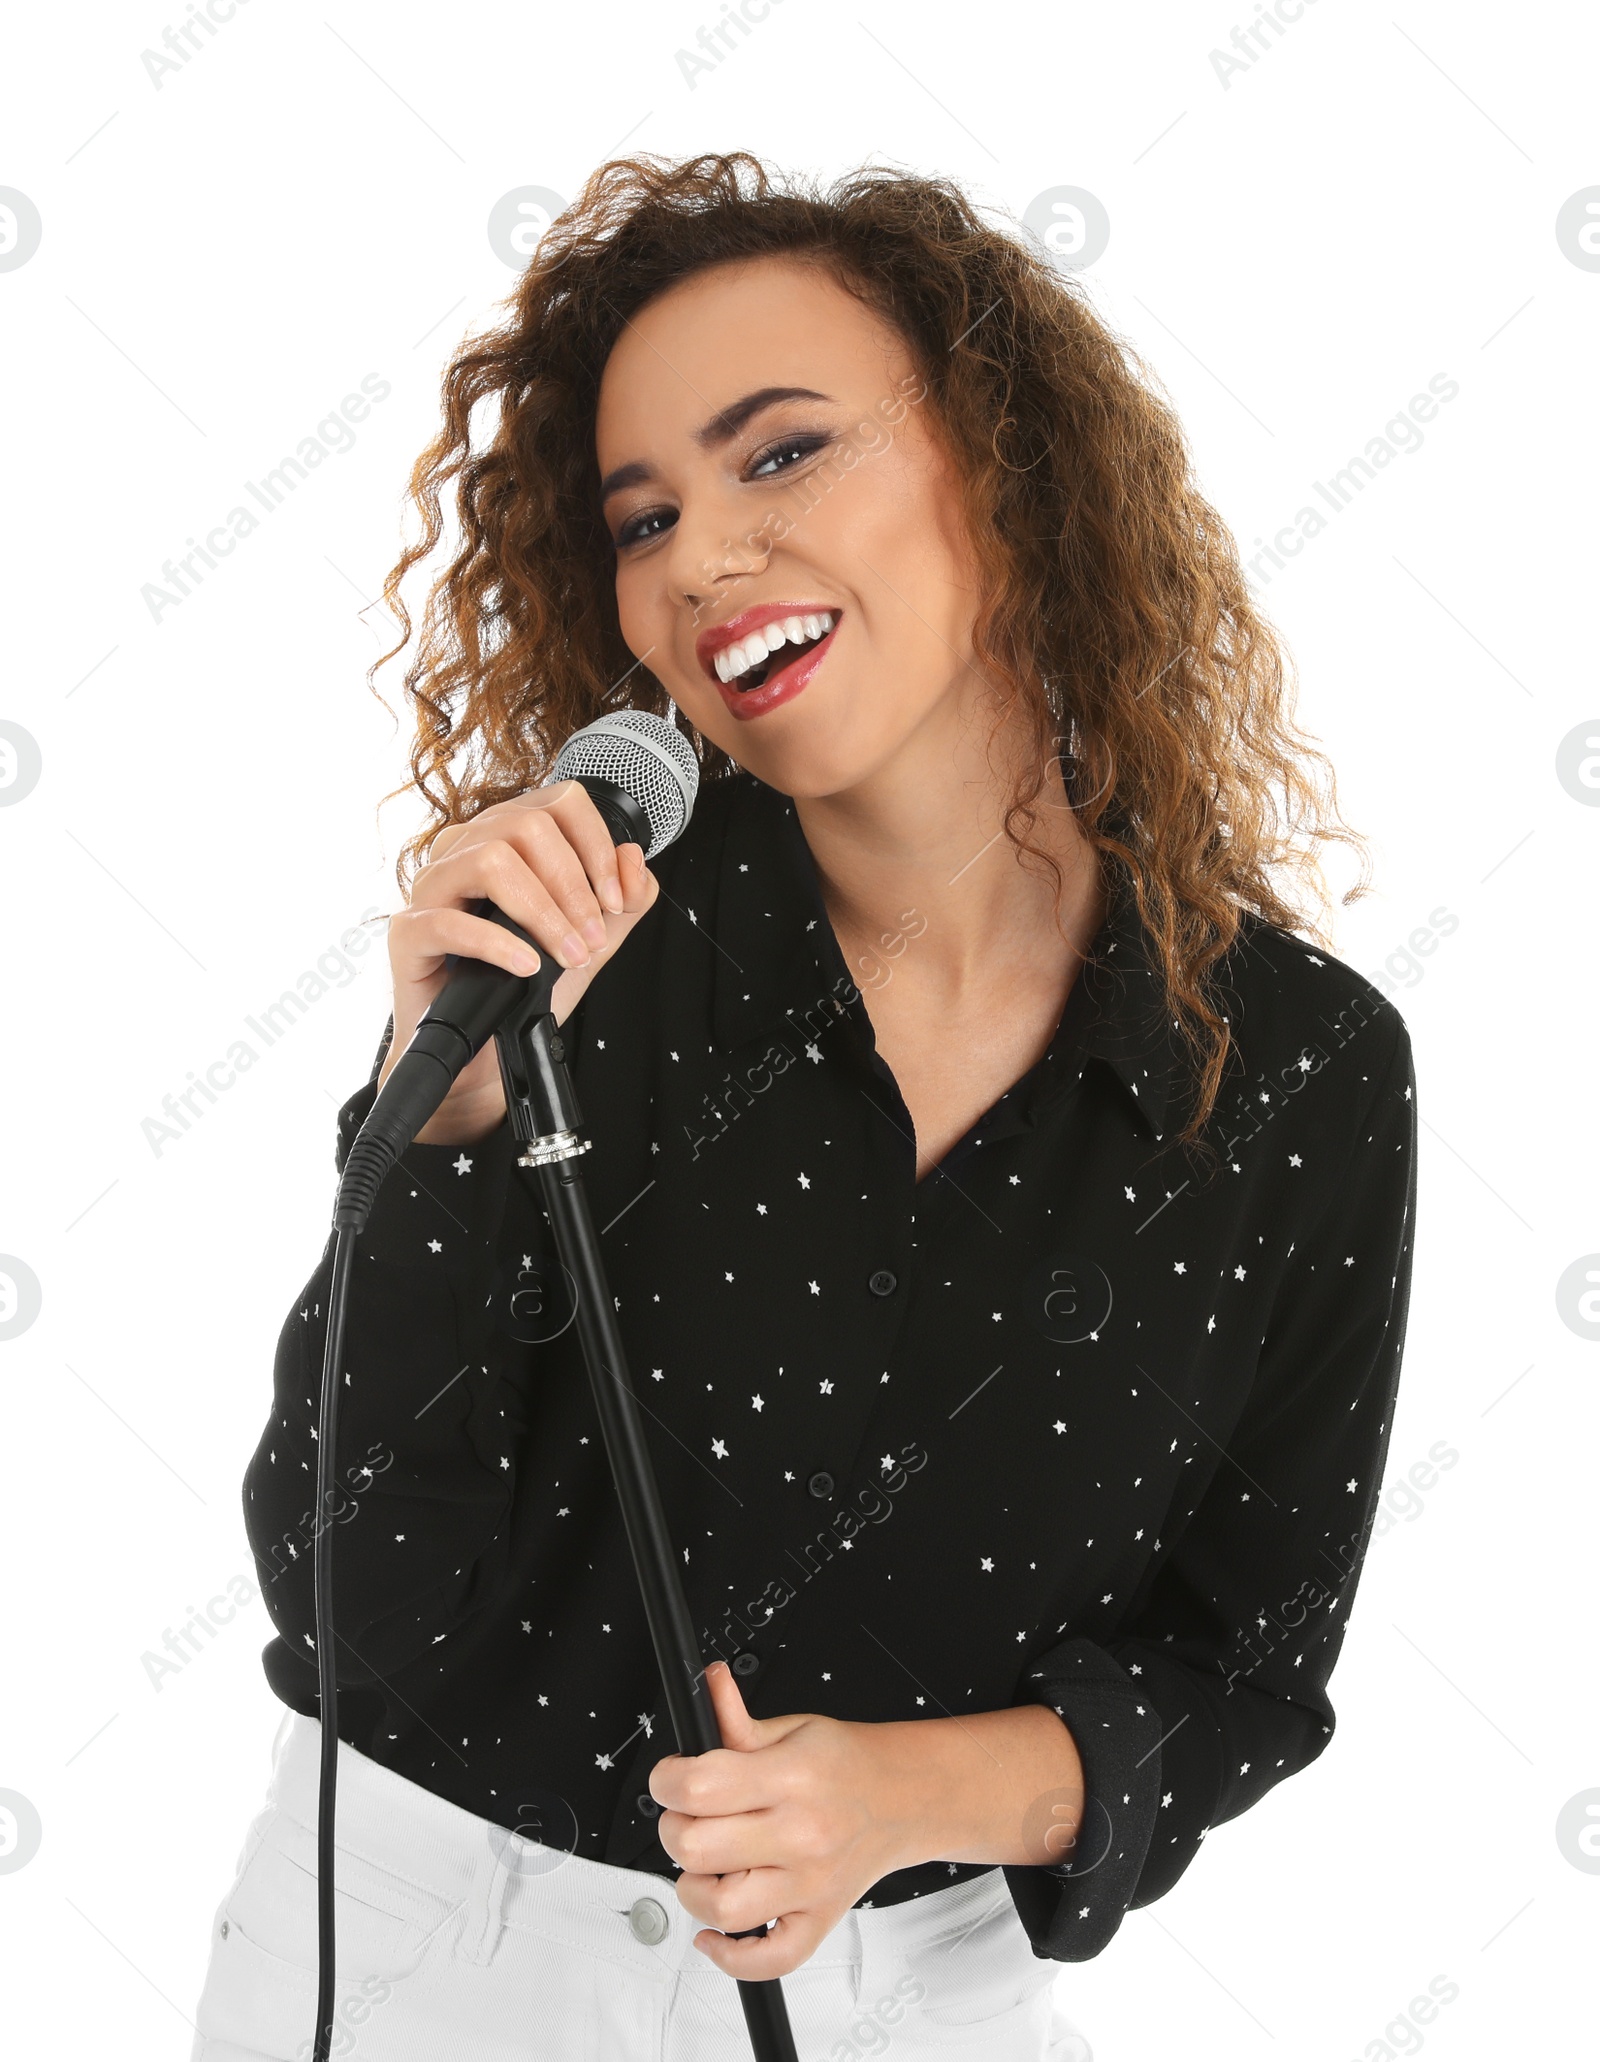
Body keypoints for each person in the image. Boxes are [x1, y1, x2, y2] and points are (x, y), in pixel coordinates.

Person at [191, 152, 1418, 2061]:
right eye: (644, 513)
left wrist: (898, 1803)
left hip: (918, 1998)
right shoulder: (583, 952)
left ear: (1002, 463)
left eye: (781, 455)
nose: (698, 557)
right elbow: (356, 1601)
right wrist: (437, 1123)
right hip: (444, 1957)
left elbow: (1245, 1667)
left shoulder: (1304, 1072)